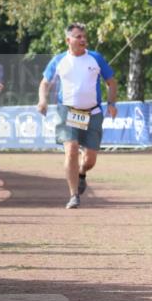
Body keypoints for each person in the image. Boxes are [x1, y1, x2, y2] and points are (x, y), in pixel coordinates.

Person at [37, 23, 118, 209]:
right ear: (68, 40)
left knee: (90, 160)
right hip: (68, 111)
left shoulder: (95, 58)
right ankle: (74, 195)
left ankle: (82, 171)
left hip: (93, 112)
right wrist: (42, 101)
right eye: (78, 37)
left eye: (84, 36)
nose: (83, 40)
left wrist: (112, 103)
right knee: (71, 148)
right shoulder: (59, 60)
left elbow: (111, 83)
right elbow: (44, 83)